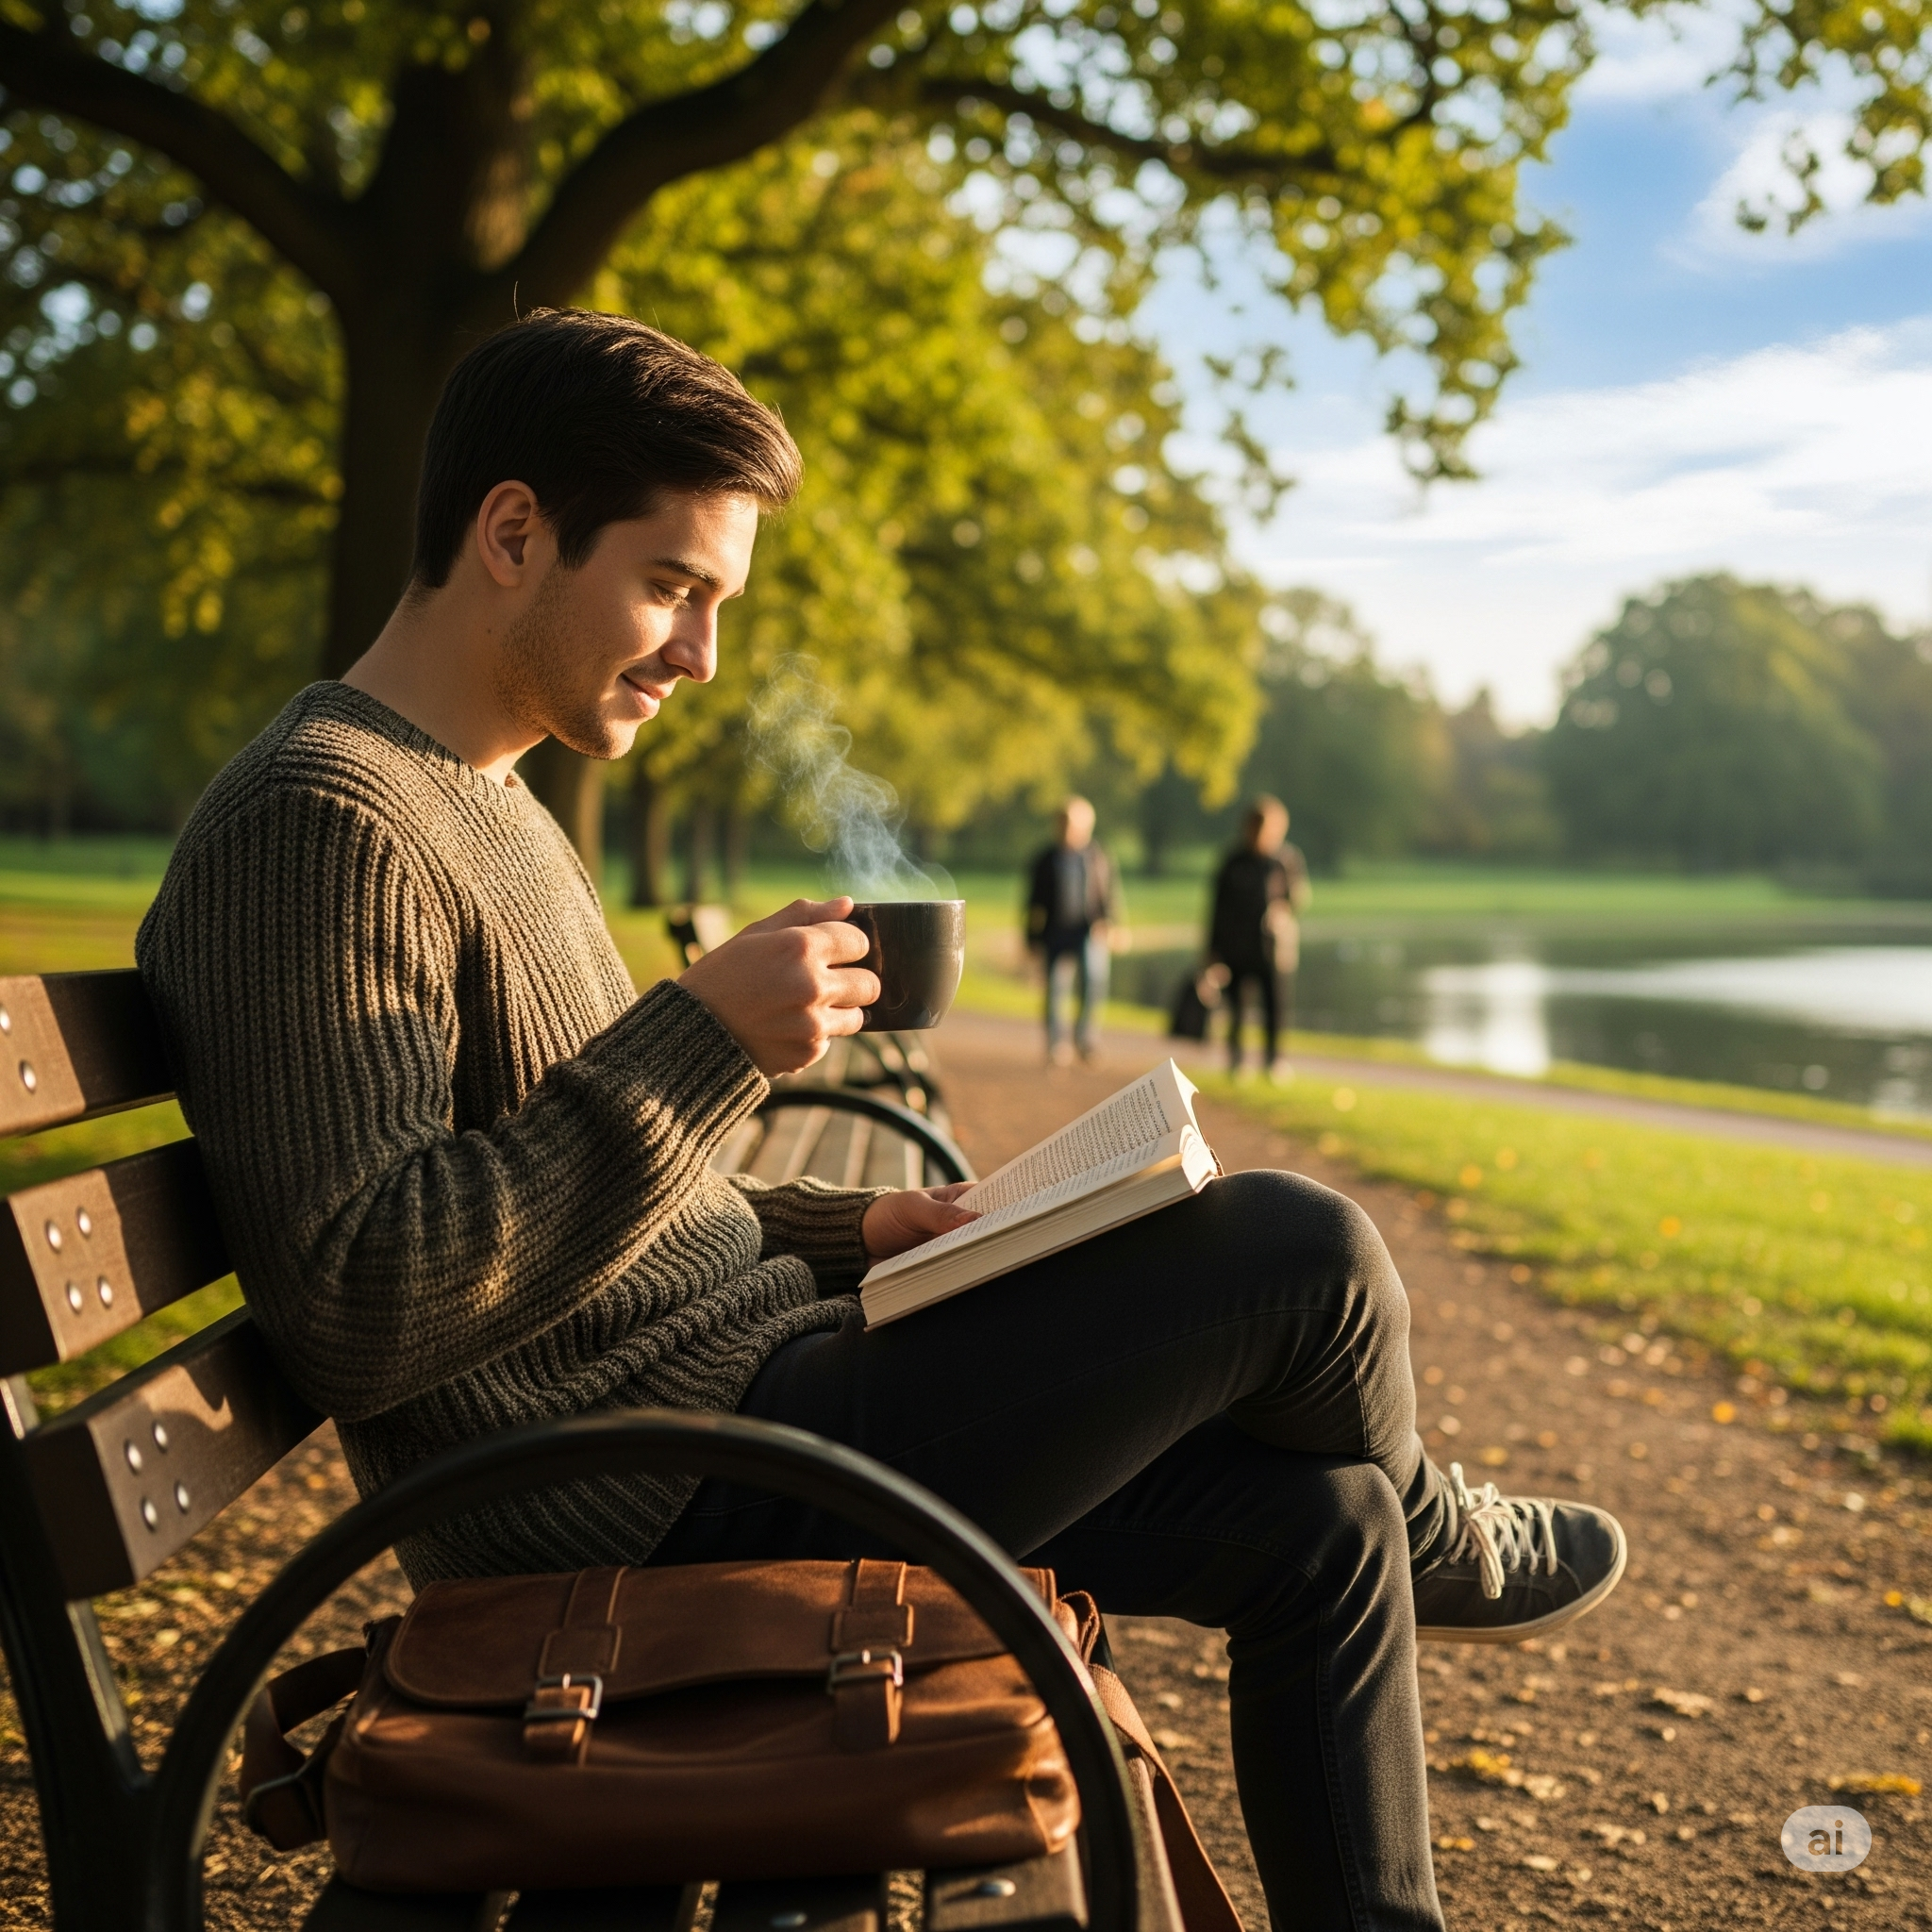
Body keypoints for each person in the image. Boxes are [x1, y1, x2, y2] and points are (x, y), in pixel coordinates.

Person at [135, 309, 1625, 1932]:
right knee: (1302, 1249)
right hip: (649, 1491)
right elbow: (363, 1295)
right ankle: (1446, 1531)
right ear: (511, 533)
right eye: (668, 585)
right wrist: (703, 1042)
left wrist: (859, 1229)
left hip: (747, 1407)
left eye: (716, 605)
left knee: (1312, 1522)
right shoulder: (325, 821)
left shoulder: (488, 801)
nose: (699, 654)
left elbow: (571, 1195)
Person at [1209, 794, 1310, 1079]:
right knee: (1237, 1008)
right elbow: (1217, 907)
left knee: (1275, 1008)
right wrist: (1212, 950)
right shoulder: (1233, 861)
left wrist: (1282, 910)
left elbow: (1298, 895)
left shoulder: (1286, 859)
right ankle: (1237, 1062)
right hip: (1237, 947)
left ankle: (1274, 1061)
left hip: (1273, 948)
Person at [1024, 796, 1119, 1065]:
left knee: (1094, 983)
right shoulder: (1045, 859)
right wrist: (1031, 937)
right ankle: (1056, 1045)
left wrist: (1110, 923)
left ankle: (1085, 1039)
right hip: (1055, 932)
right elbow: (1033, 902)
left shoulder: (1098, 856)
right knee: (1056, 988)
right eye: (1062, 823)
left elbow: (1109, 894)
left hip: (1088, 932)